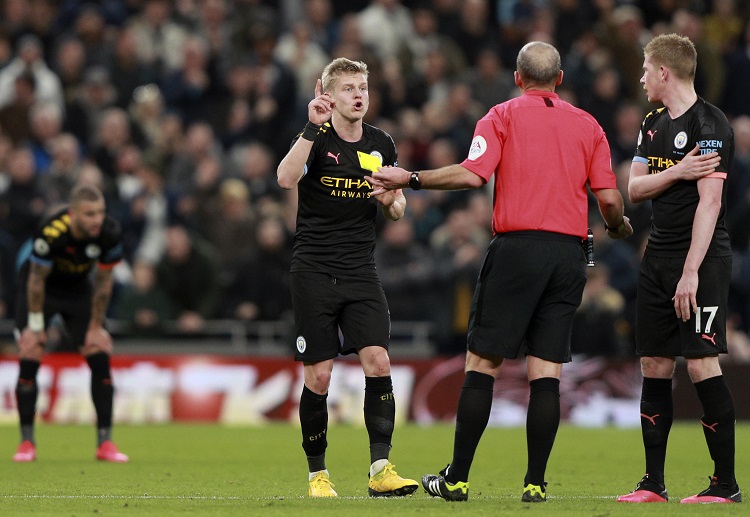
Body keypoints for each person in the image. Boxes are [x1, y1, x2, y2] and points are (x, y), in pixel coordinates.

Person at [369, 41, 633, 502]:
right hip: (569, 255)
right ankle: (535, 483)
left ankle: (457, 478)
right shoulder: (588, 124)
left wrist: (410, 177)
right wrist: (618, 225)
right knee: (546, 371)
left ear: (517, 77)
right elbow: (609, 200)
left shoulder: (501, 115)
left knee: (483, 363)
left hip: (516, 249)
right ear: (560, 79)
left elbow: (474, 175)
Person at [276, 57, 418, 498]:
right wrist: (309, 129)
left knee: (378, 360)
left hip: (360, 271)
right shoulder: (316, 138)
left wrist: (392, 200)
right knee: (318, 376)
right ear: (329, 95)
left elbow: (396, 210)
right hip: (314, 271)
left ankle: (381, 470)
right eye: (349, 88)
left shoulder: (381, 143)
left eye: (363, 87)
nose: (359, 95)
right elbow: (284, 179)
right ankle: (318, 475)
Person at [616, 33, 742, 505]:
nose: (642, 76)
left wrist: (691, 272)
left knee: (701, 363)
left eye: (647, 69)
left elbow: (710, 205)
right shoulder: (651, 124)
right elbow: (635, 189)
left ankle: (725, 485)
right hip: (657, 257)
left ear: (665, 72)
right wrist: (677, 172)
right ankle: (653, 483)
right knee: (653, 362)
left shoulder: (712, 124)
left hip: (702, 260)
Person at [12, 184, 129, 463]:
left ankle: (105, 443)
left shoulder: (109, 233)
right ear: (73, 214)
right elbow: (36, 280)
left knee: (99, 353)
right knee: (31, 351)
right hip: (41, 290)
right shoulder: (52, 232)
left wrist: (95, 327)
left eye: (100, 212)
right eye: (89, 214)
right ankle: (27, 442)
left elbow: (104, 282)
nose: (97, 220)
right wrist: (36, 325)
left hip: (78, 291)